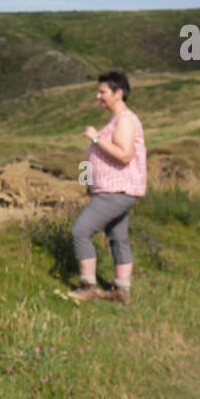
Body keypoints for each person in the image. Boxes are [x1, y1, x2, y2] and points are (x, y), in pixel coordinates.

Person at [67, 71, 147, 306]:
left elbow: (124, 155)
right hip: (116, 190)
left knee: (80, 232)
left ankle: (88, 286)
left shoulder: (125, 120)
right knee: (118, 237)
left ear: (118, 93)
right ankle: (121, 292)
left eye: (102, 92)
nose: (98, 96)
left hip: (117, 190)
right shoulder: (118, 119)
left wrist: (95, 138)